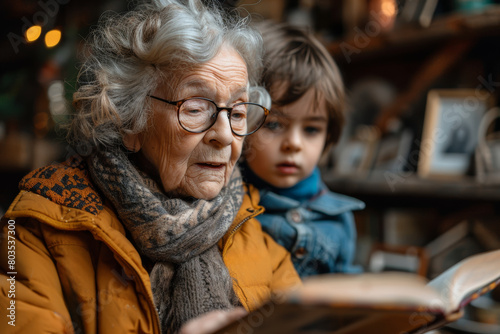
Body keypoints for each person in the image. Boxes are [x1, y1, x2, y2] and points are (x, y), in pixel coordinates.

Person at [0, 2, 301, 333]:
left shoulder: (254, 229)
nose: (225, 135)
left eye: (239, 113)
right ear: (130, 121)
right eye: (197, 108)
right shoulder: (35, 233)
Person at [241, 21, 365, 277]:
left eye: (311, 130)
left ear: (329, 135)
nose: (293, 144)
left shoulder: (339, 219)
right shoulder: (225, 207)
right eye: (274, 124)